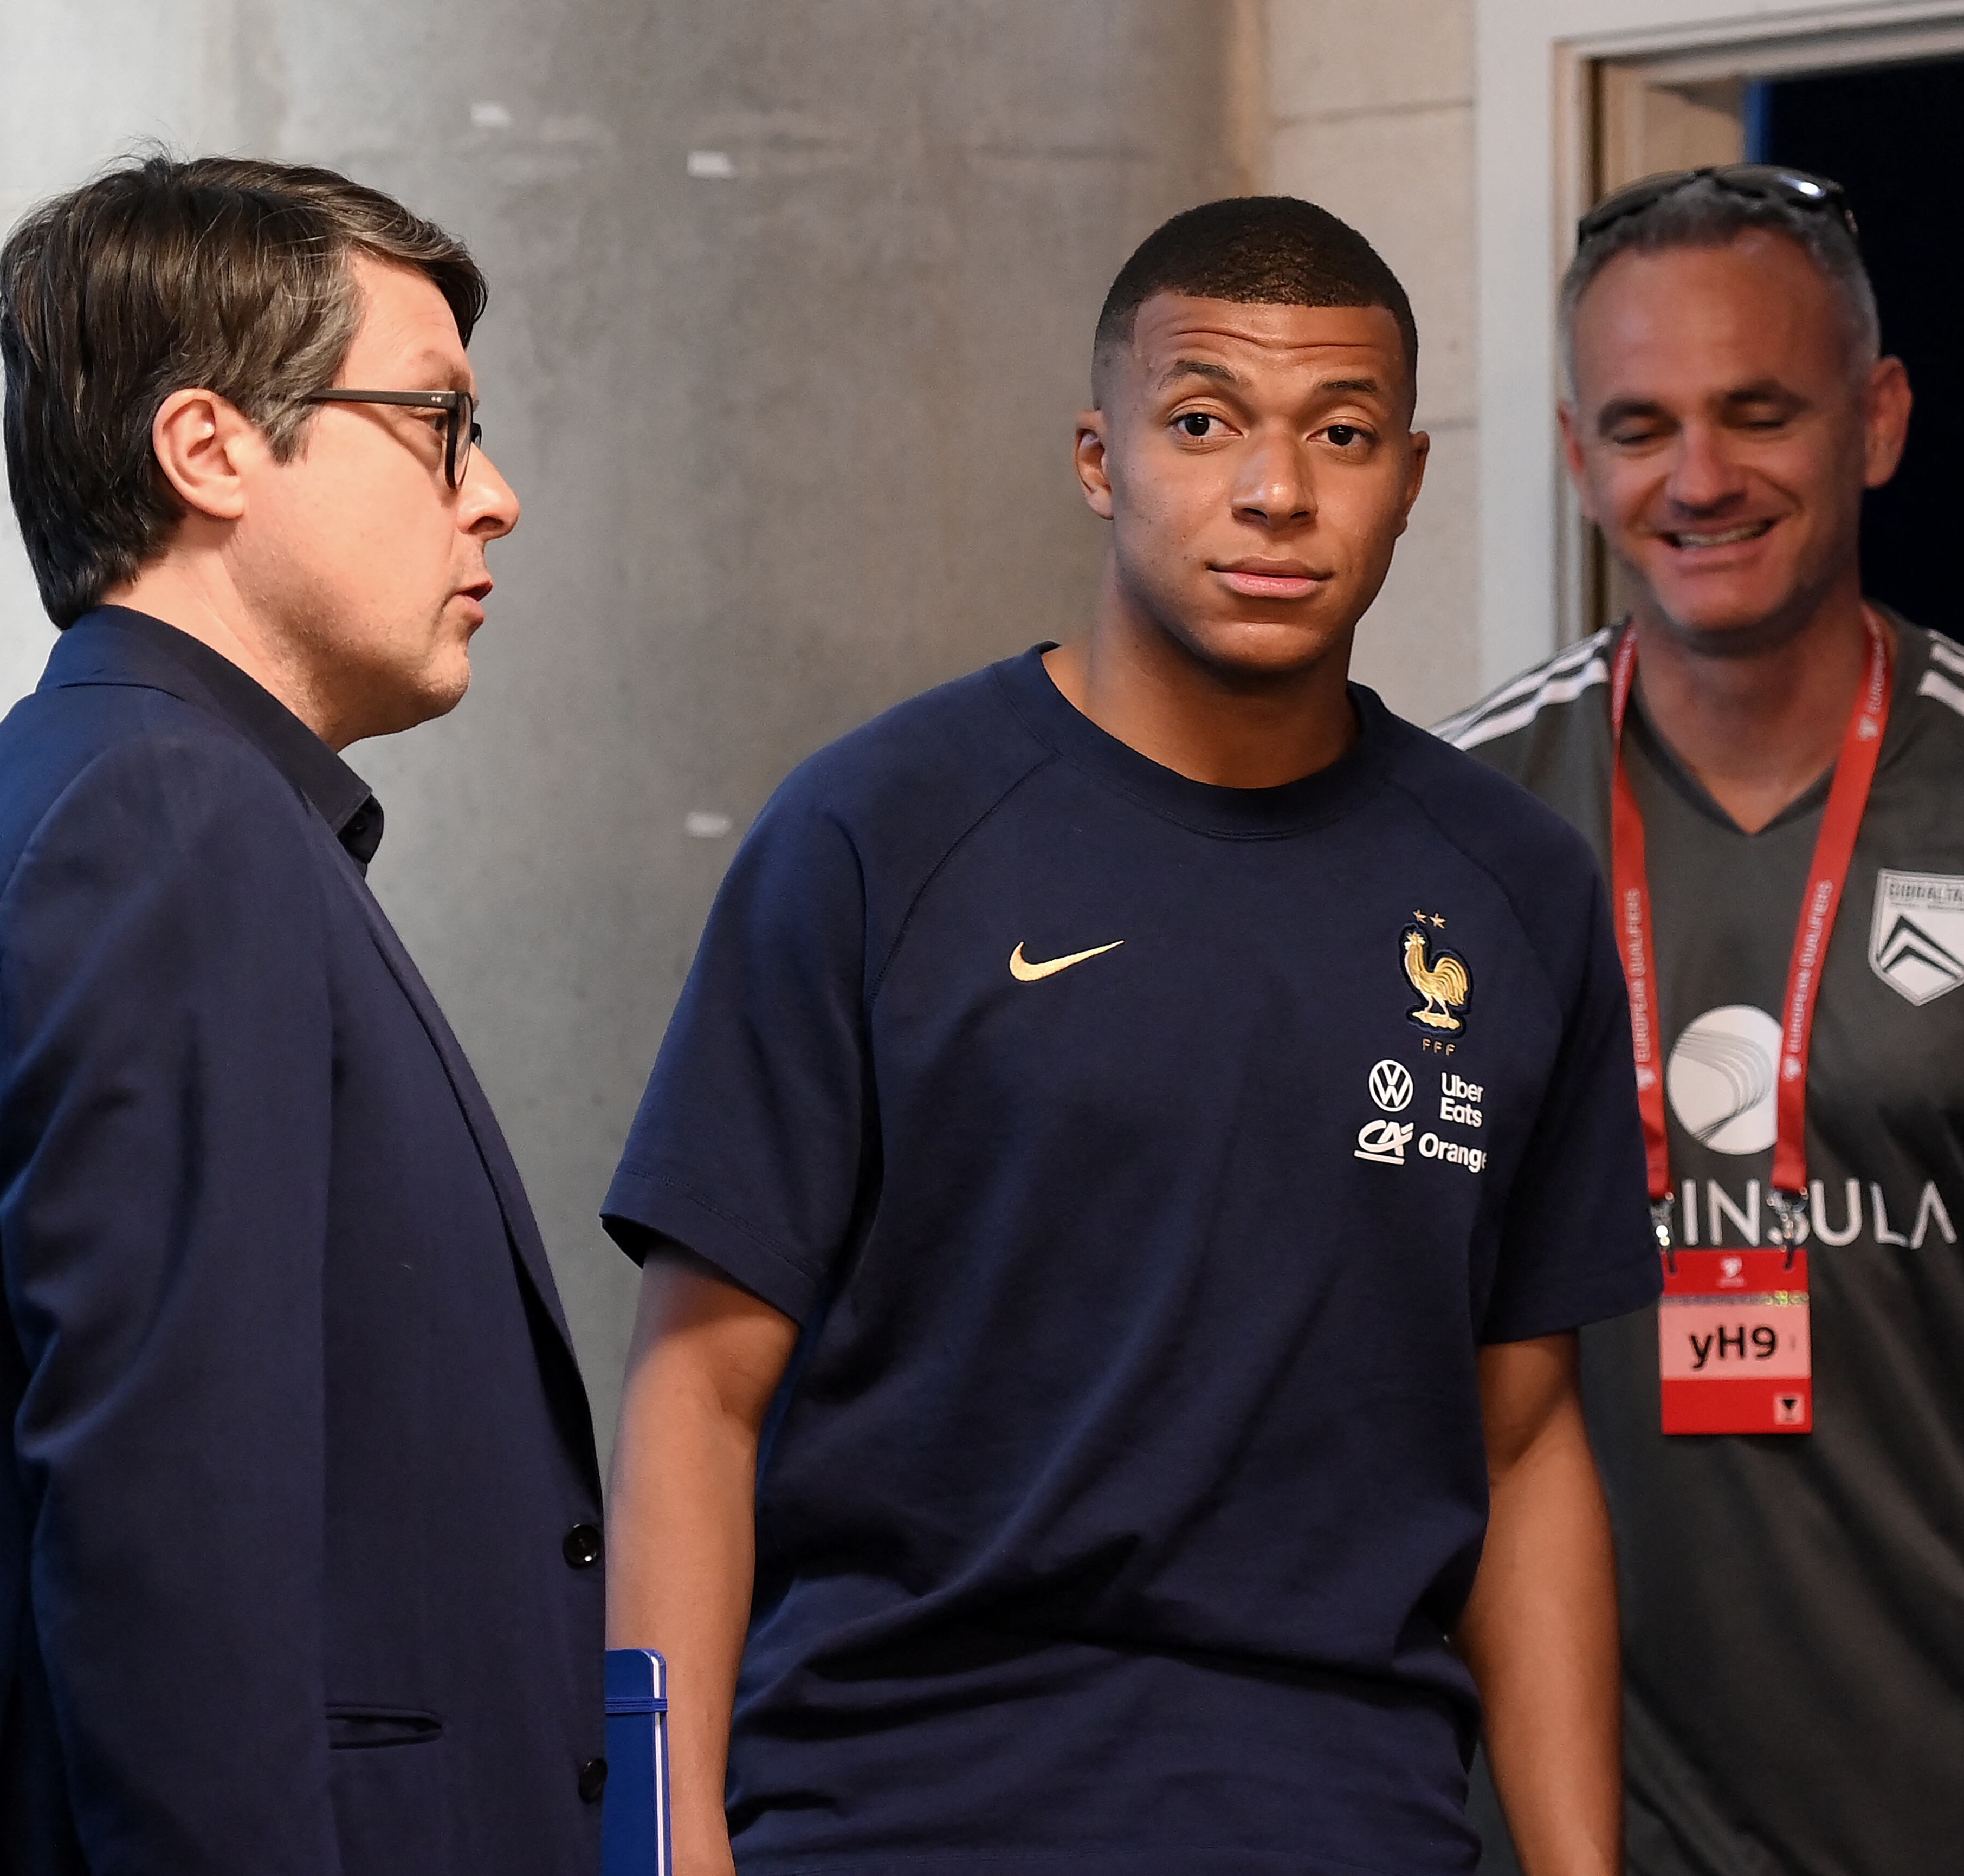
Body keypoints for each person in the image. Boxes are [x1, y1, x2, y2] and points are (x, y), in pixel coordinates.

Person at [603, 196, 1656, 1876]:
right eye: (1201, 423)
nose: (1275, 492)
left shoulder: (1514, 891)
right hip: (899, 1815)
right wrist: (667, 1850)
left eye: (1343, 433)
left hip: (1350, 1824)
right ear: (1100, 459)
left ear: (1411, 480)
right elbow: (696, 1398)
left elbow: (1524, 1445)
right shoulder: (878, 835)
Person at [0, 156, 604, 1874]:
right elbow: (172, 1554)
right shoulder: (162, 826)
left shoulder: (83, 798)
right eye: (438, 425)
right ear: (210, 448)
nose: (491, 496)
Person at [1439, 166, 1964, 1875]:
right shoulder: (1450, 834)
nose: (1702, 478)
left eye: (1760, 414)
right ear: (1582, 460)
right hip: (1564, 1832)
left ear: (1876, 421)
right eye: (1642, 425)